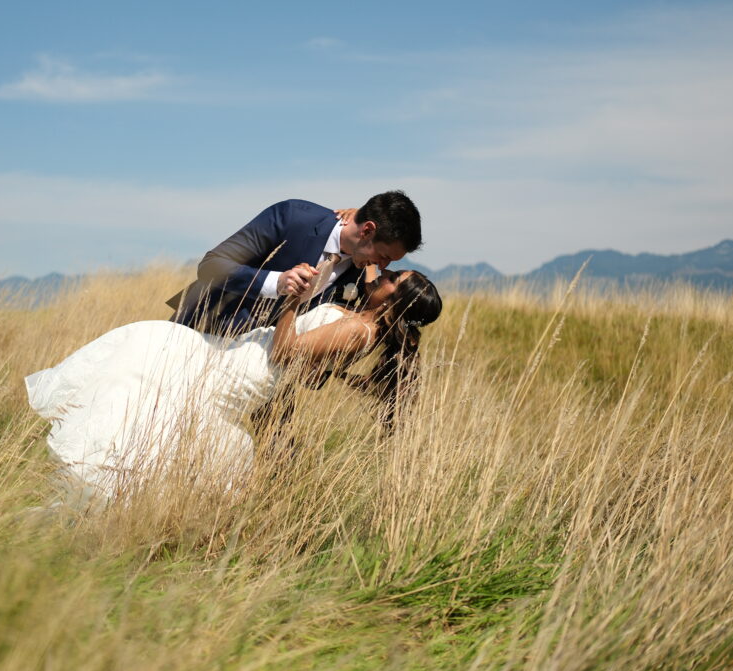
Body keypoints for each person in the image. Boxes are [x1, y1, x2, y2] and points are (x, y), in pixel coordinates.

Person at [26, 269, 442, 500]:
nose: (383, 273)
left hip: (245, 370)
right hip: (242, 361)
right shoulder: (363, 325)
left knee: (146, 360)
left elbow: (286, 352)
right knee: (148, 353)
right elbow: (311, 370)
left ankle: (99, 482)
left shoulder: (357, 331)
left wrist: (293, 303)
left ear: (394, 301)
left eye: (392, 277)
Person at [167, 190, 422, 336]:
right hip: (204, 330)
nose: (381, 266)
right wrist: (276, 282)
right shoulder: (293, 216)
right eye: (384, 256)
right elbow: (211, 266)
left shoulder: (362, 274)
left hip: (270, 369)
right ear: (367, 230)